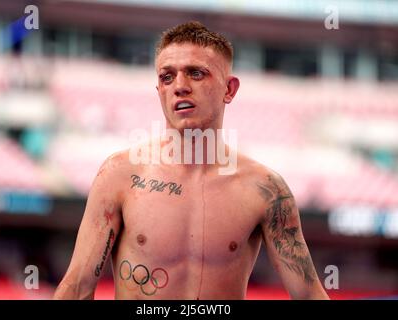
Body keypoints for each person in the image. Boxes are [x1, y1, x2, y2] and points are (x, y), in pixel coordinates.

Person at [53, 21, 329, 300]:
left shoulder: (266, 189)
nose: (180, 87)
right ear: (159, 89)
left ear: (229, 89)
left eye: (196, 73)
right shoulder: (118, 175)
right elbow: (77, 289)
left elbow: (308, 294)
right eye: (167, 77)